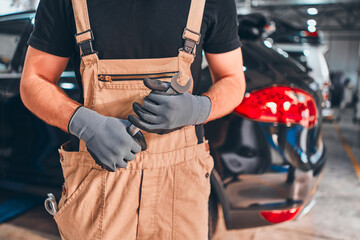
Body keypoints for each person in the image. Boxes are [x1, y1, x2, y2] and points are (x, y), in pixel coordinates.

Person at [20, 0, 245, 239]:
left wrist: (199, 108)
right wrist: (84, 124)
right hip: (99, 182)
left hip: (181, 188)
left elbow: (233, 79)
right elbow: (33, 81)